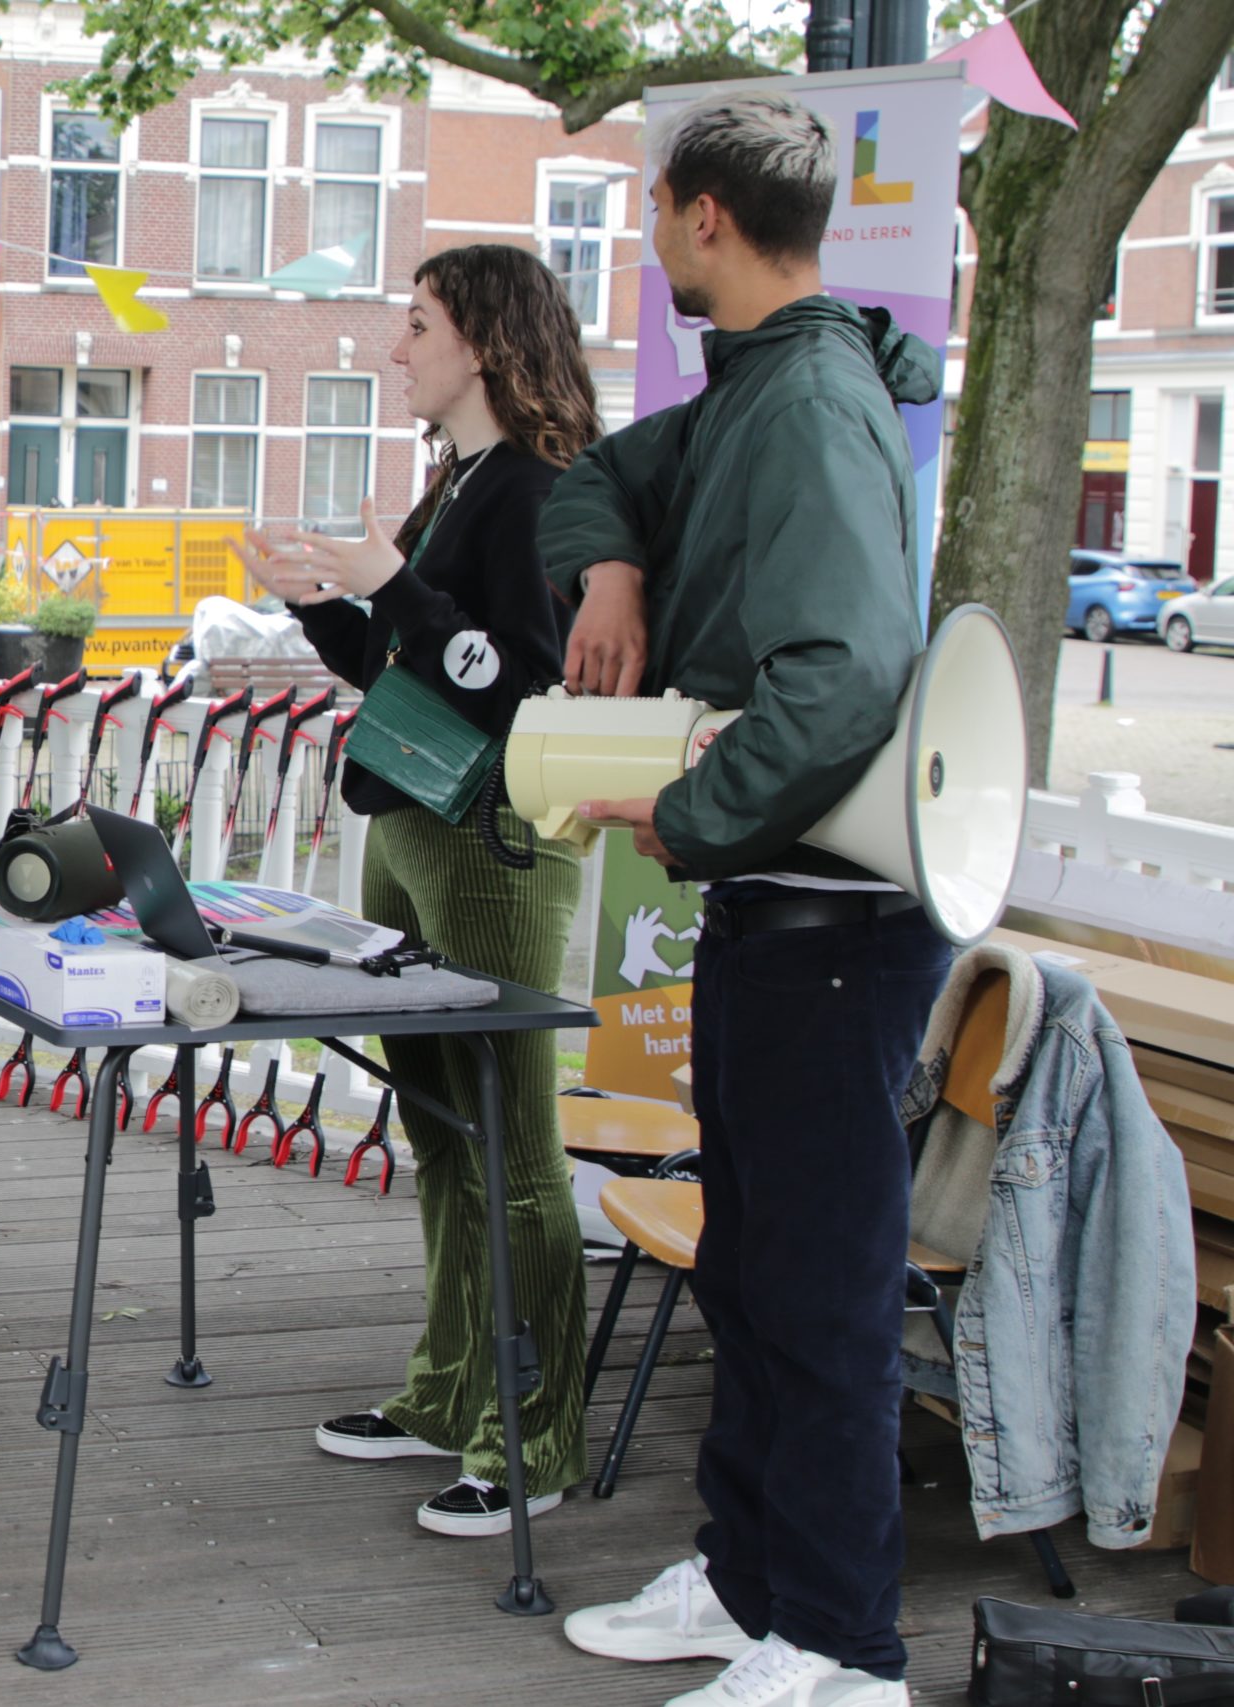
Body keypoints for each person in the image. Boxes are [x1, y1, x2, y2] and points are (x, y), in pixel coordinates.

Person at [538, 93, 950, 1707]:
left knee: (819, 1297)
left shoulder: (808, 401)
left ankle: (843, 1649)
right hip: (778, 918)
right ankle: (745, 1578)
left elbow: (847, 673)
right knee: (749, 1272)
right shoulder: (754, 386)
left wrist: (689, 812)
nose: (652, 234)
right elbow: (599, 478)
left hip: (835, 925)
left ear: (702, 213)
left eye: (656, 209)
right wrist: (616, 569)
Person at [235, 244, 602, 1539]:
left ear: (485, 344)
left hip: (490, 837)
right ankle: (451, 1393)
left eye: (418, 324)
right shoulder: (458, 483)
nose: (397, 347)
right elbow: (413, 662)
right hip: (411, 824)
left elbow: (523, 681)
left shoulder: (541, 489)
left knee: (511, 1146)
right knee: (442, 1129)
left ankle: (533, 1433)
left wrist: (393, 583)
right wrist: (319, 606)